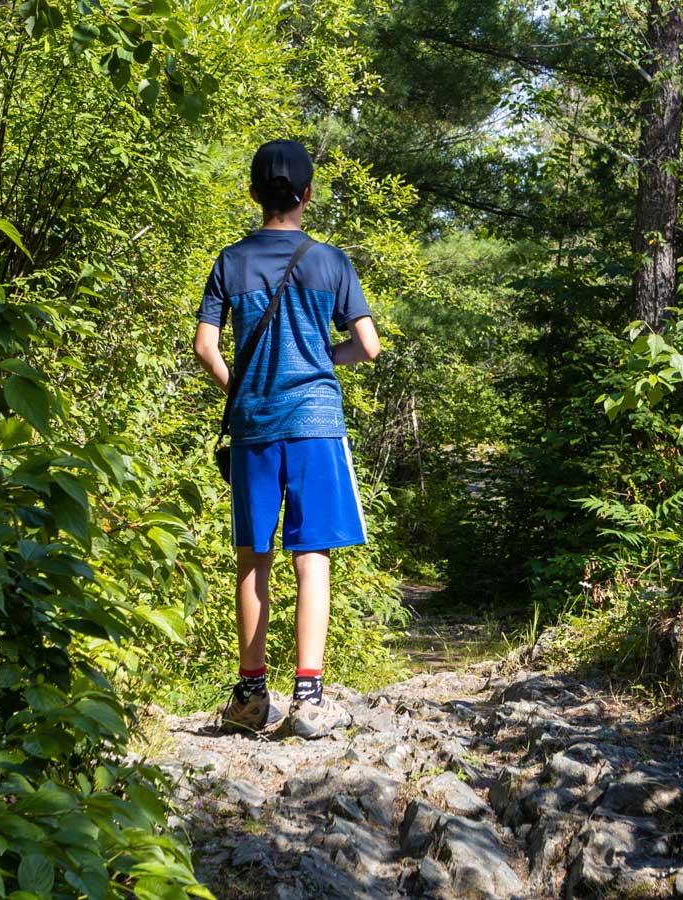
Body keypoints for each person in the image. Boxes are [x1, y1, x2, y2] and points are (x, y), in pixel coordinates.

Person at [192, 139, 380, 738]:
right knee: (312, 555)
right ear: (307, 193)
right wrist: (325, 358)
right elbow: (369, 346)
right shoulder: (331, 263)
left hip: (254, 424)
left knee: (253, 557)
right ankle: (309, 695)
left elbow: (206, 348)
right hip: (315, 423)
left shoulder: (232, 260)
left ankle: (249, 693)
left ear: (254, 193)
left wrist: (241, 387)